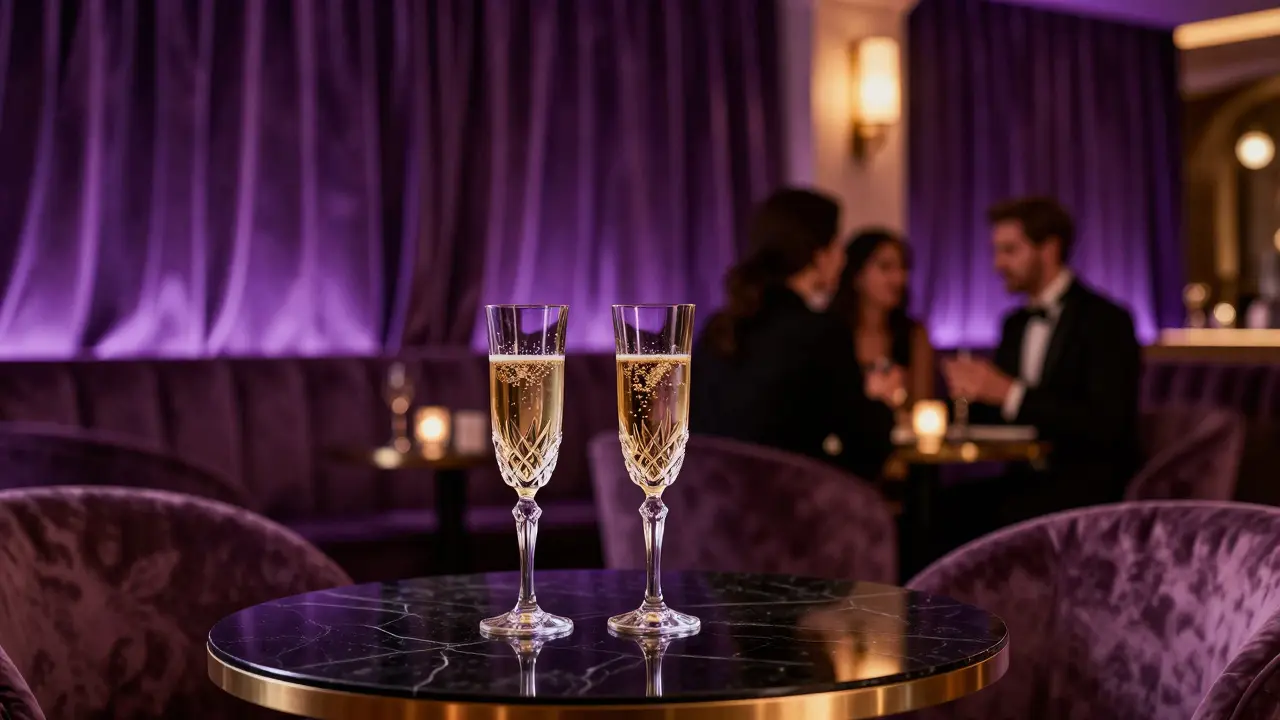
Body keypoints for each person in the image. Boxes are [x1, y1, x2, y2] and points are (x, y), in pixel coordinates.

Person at [941, 196, 1141, 525]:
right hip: (1026, 480)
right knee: (934, 512)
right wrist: (954, 404)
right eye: (996, 251)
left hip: (1087, 487)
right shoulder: (1014, 323)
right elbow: (998, 414)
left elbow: (1106, 423)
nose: (997, 264)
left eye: (1009, 250)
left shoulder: (1106, 320)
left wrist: (1008, 392)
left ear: (1049, 249)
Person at [691, 189, 895, 481]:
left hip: (705, 508)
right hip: (786, 511)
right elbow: (866, 449)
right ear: (817, 254)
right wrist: (879, 403)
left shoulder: (718, 328)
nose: (842, 258)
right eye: (836, 244)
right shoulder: (821, 333)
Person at [832, 229, 935, 421]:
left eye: (903, 268)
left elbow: (923, 410)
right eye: (886, 267)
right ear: (857, 275)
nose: (898, 278)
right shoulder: (831, 332)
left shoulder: (914, 335)